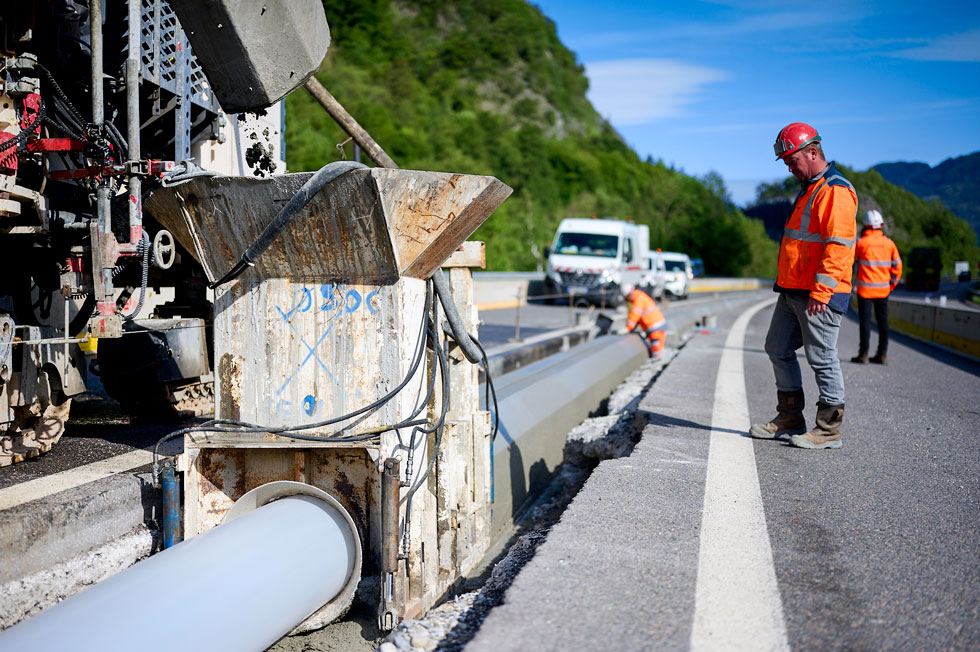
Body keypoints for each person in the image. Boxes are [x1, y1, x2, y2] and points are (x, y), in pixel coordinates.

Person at [750, 122, 857, 450]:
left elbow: (838, 246)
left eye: (792, 160)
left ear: (813, 152)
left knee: (822, 357)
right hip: (793, 289)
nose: (789, 167)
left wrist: (822, 291)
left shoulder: (834, 190)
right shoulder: (811, 187)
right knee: (777, 348)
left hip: (818, 293)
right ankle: (790, 417)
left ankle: (828, 430)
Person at [851, 209, 902, 365]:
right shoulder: (890, 244)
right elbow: (897, 267)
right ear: (881, 225)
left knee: (865, 322)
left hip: (865, 291)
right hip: (883, 290)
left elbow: (850, 262)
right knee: (882, 322)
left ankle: (864, 354)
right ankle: (882, 354)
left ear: (865, 226)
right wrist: (891, 285)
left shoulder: (861, 243)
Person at [621, 284, 666, 357]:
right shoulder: (639, 296)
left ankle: (658, 363)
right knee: (656, 348)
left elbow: (635, 315)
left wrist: (628, 328)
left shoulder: (638, 299)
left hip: (655, 327)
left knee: (657, 349)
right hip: (655, 326)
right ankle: (657, 360)